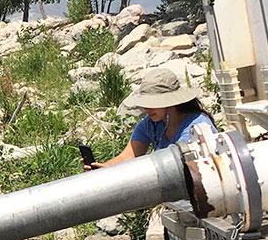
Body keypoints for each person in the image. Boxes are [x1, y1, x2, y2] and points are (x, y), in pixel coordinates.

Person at [86, 67, 215, 169]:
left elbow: (175, 162)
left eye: (153, 104)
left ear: (171, 102)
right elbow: (128, 156)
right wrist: (104, 168)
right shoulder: (150, 124)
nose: (147, 109)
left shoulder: (197, 126)